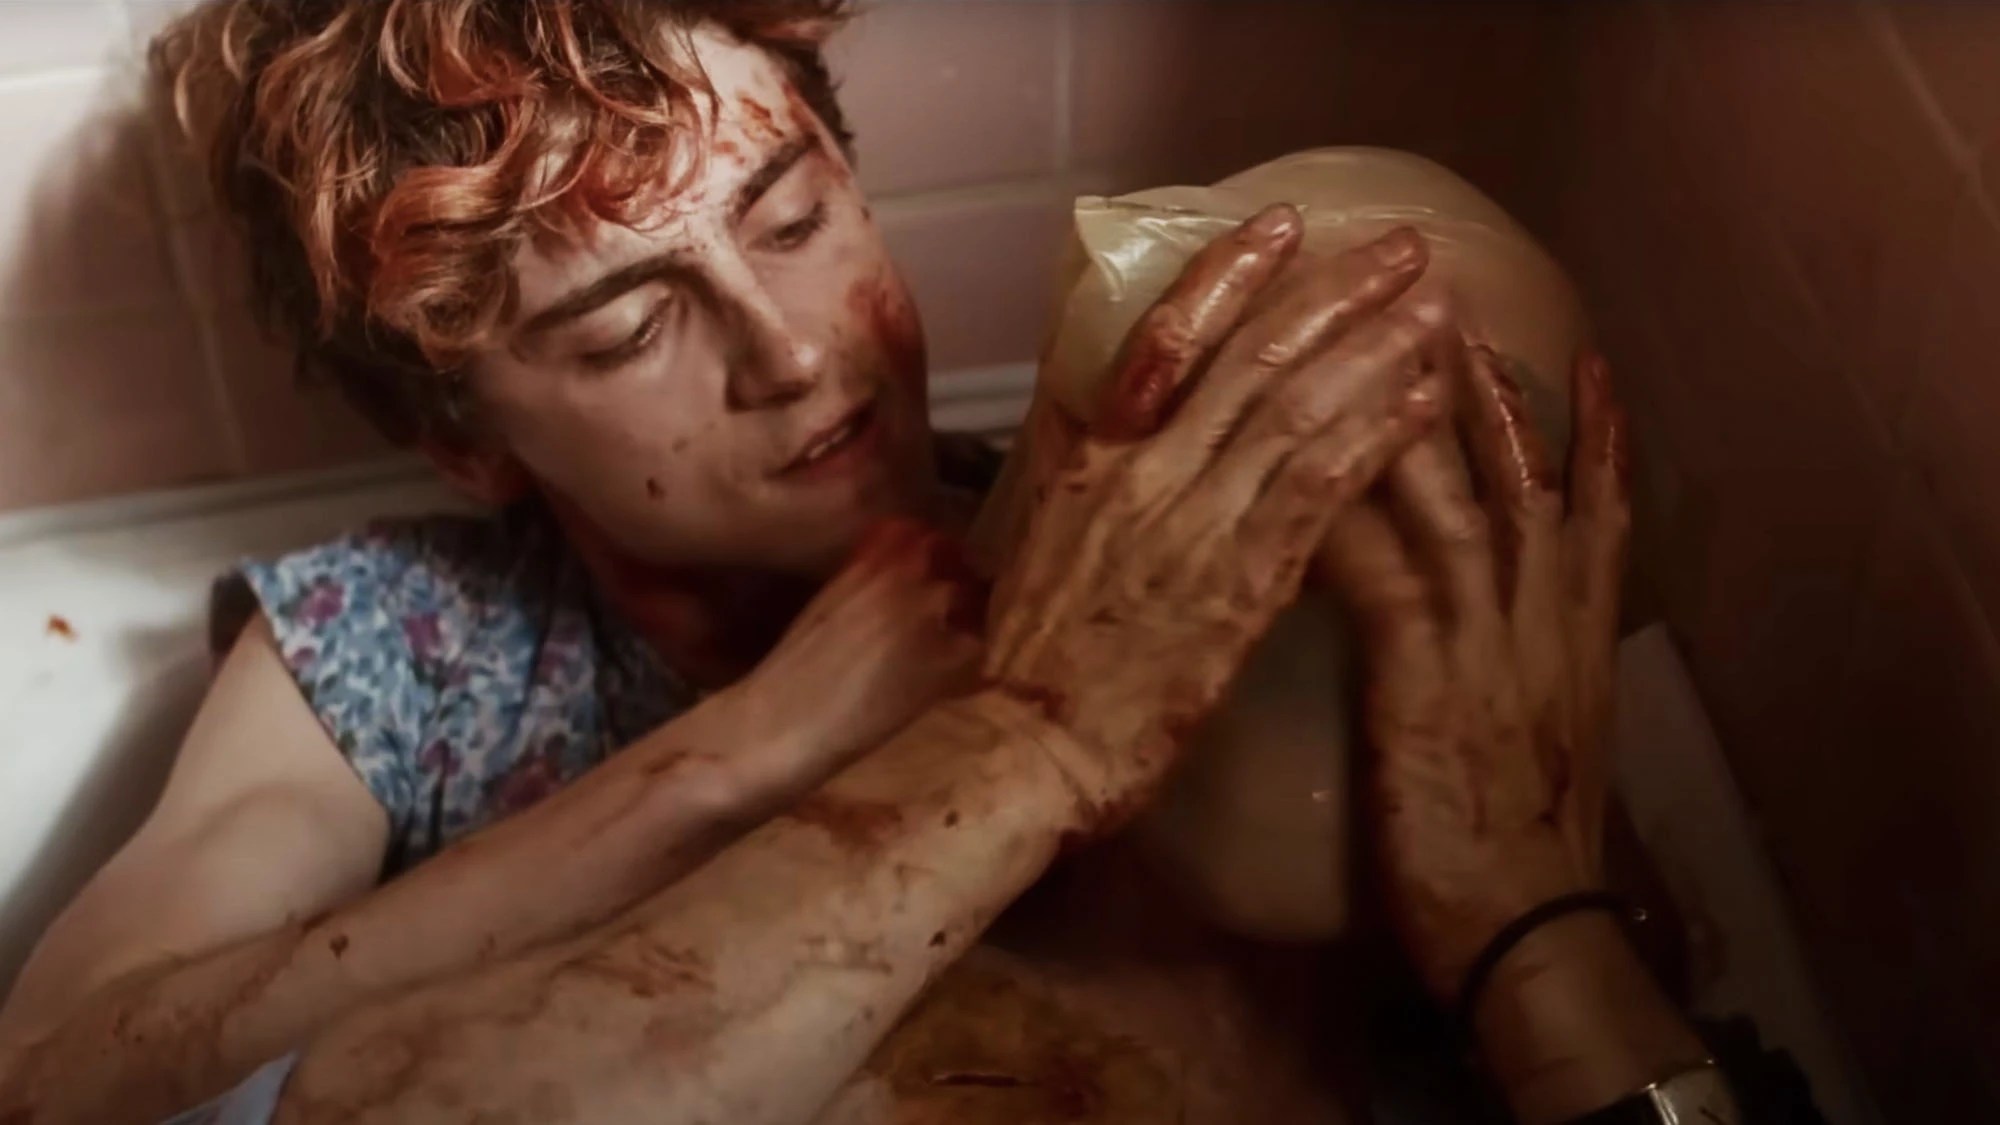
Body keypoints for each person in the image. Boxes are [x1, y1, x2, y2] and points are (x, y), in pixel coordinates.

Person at [0, 2, 1769, 1122]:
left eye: (794, 217)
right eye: (627, 332)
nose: (791, 353)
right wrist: (735, 755)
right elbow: (66, 1088)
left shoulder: (1147, 547)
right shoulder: (411, 645)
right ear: (465, 438)